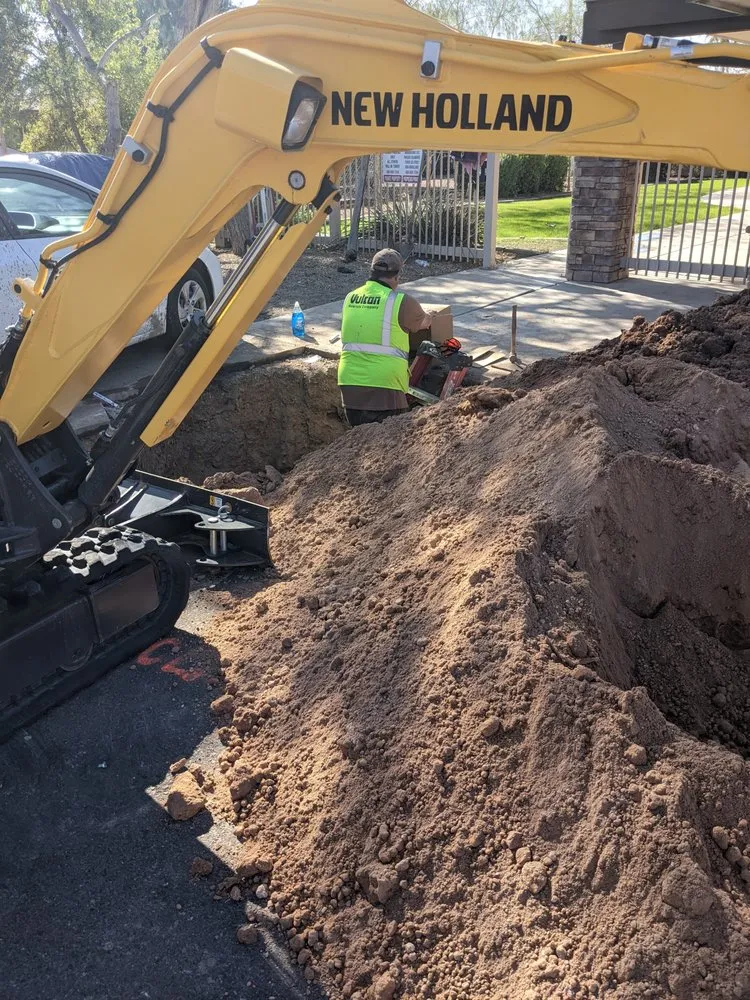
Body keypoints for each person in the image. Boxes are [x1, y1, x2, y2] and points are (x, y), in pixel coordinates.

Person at [338, 248, 439, 427]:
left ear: (371, 271)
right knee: (390, 449)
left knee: (358, 445)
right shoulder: (401, 301)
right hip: (385, 387)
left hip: (350, 386)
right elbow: (423, 323)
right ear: (397, 276)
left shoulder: (350, 297)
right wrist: (430, 315)